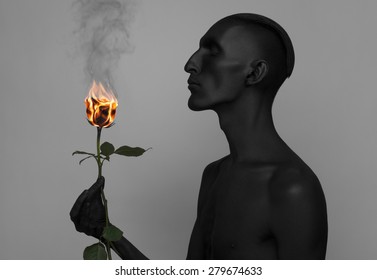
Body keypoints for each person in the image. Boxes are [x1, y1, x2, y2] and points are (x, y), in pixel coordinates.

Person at [71, 13, 328, 260]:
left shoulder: (292, 188)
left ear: (254, 73)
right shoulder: (215, 175)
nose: (190, 63)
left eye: (213, 51)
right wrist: (104, 230)